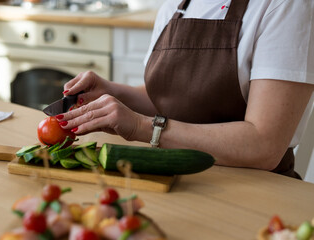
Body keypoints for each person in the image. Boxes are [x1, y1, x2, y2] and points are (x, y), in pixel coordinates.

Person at [55, 0, 314, 178]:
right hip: (173, 175)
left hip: (256, 190)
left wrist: (142, 127)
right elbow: (167, 99)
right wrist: (112, 92)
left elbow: (264, 146)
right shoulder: (176, 5)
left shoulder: (285, 6)